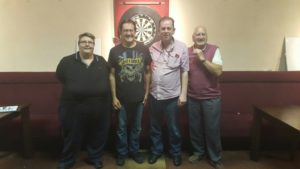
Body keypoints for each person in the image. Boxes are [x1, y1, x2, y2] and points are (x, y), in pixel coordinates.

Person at [56, 32, 111, 169]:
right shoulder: (66, 61)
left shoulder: (101, 61)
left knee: (98, 134)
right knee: (72, 136)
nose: (87, 44)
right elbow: (60, 77)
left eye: (90, 42)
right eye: (84, 42)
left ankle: (95, 158)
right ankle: (67, 160)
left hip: (99, 106)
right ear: (78, 44)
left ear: (94, 45)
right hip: (73, 106)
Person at [108, 19, 152, 166]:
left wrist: (146, 94)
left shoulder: (144, 49)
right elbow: (112, 75)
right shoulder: (114, 51)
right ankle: (122, 154)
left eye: (131, 30)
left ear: (135, 31)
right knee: (121, 129)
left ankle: (134, 152)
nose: (128, 33)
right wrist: (113, 97)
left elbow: (147, 72)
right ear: (120, 33)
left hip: (139, 98)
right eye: (125, 30)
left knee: (136, 128)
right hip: (121, 99)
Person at [147, 16, 189, 167]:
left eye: (168, 28)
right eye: (163, 28)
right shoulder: (152, 47)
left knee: (174, 129)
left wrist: (183, 94)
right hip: (154, 96)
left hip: (172, 96)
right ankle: (156, 151)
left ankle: (175, 153)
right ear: (159, 30)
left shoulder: (182, 47)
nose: (165, 31)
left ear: (173, 30)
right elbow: (148, 71)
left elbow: (184, 72)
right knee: (154, 127)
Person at [187, 26, 224, 169]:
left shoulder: (214, 50)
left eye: (203, 34)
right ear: (193, 37)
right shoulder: (187, 51)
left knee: (212, 129)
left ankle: (215, 158)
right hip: (192, 97)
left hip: (211, 98)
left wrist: (202, 59)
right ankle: (198, 152)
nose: (200, 37)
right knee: (195, 128)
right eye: (198, 34)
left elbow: (218, 71)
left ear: (206, 36)